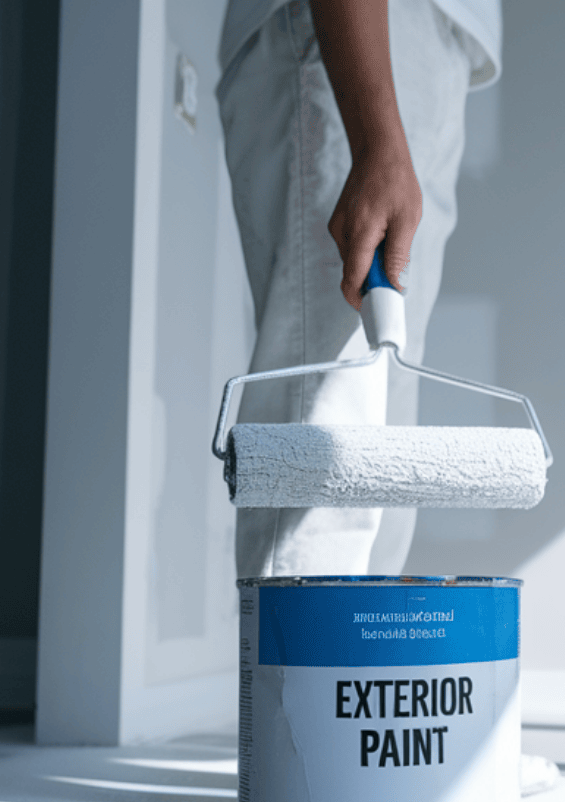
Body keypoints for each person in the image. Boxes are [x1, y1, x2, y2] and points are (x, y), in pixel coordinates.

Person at [216, 0, 500, 580]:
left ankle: (356, 668)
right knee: (329, 429)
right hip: (358, 31)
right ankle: (301, 669)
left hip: (432, 43)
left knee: (378, 448)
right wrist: (374, 140)